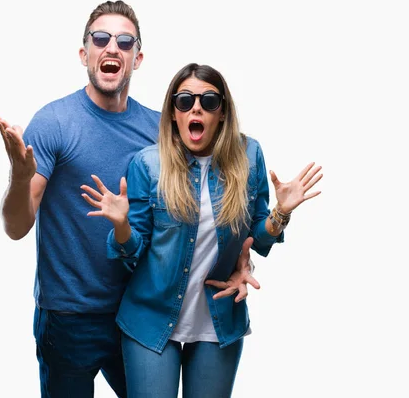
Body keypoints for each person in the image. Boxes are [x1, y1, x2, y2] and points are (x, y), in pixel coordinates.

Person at [0, 1, 255, 398]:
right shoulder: (54, 123)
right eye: (100, 39)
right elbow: (16, 227)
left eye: (124, 40)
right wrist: (20, 175)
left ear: (137, 58)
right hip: (69, 315)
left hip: (138, 314)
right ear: (85, 54)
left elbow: (208, 209)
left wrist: (241, 259)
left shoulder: (161, 132)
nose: (111, 47)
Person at [80, 63, 323, 398]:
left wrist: (280, 212)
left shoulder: (249, 156)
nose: (196, 108)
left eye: (209, 101)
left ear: (222, 112)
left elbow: (257, 234)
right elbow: (132, 253)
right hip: (150, 318)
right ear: (174, 114)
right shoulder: (148, 164)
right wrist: (121, 225)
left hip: (218, 318)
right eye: (184, 101)